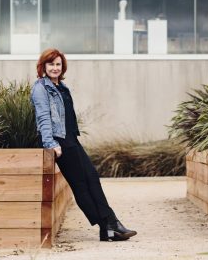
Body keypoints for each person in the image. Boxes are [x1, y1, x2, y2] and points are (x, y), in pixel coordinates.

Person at [31, 48, 137, 242]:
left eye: (58, 64)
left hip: (70, 138)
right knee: (81, 184)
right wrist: (50, 143)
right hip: (59, 141)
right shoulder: (41, 88)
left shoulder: (61, 87)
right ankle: (110, 224)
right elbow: (43, 117)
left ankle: (108, 227)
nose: (55, 68)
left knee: (90, 178)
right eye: (51, 64)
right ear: (43, 66)